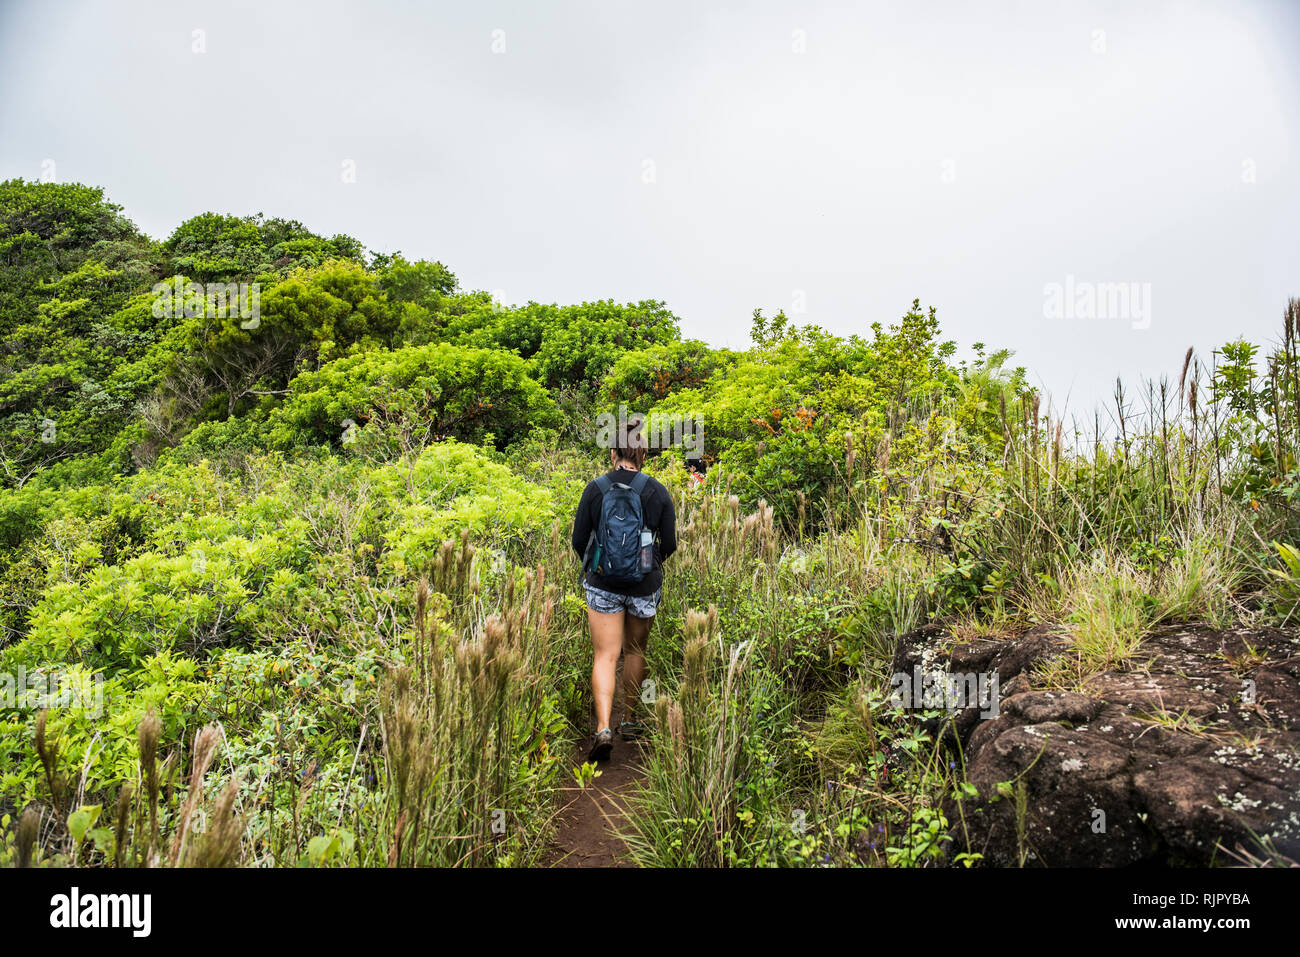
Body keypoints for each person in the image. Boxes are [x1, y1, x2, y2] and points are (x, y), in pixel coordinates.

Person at [571, 415, 677, 762]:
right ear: (643, 454)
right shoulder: (657, 490)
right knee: (635, 652)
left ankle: (603, 727)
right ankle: (630, 720)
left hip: (603, 584)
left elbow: (578, 540)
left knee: (605, 655)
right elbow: (670, 543)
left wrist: (600, 564)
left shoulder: (595, 488)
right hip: (644, 585)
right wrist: (650, 564)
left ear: (614, 452)